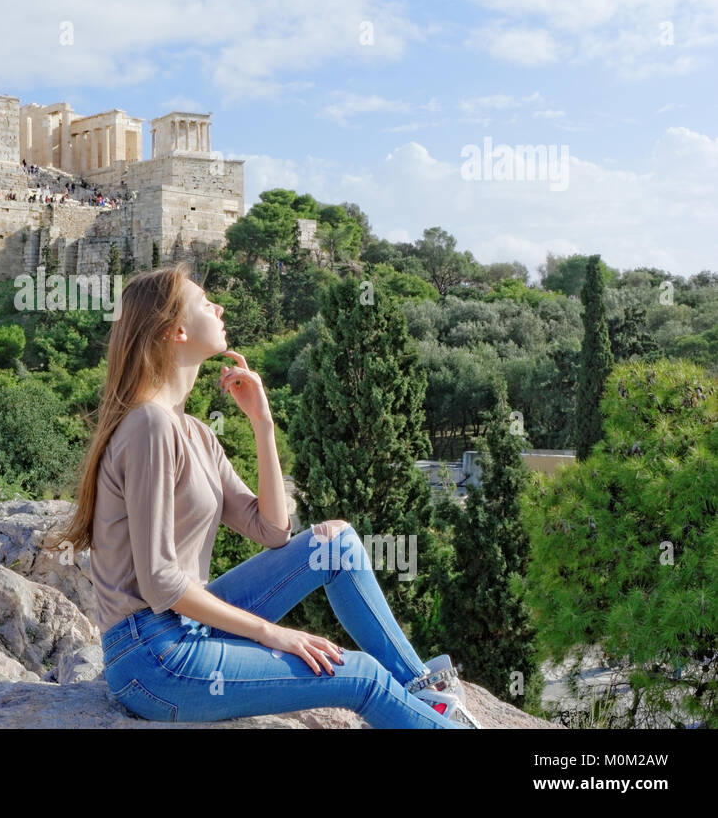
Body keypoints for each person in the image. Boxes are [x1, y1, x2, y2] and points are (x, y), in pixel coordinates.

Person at [44, 262, 480, 728]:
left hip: (189, 629)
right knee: (361, 675)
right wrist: (273, 634)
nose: (219, 307)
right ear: (176, 331)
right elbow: (160, 583)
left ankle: (423, 692)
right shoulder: (148, 426)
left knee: (336, 545)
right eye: (205, 303)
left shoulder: (194, 432)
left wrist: (262, 423)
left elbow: (271, 530)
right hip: (153, 657)